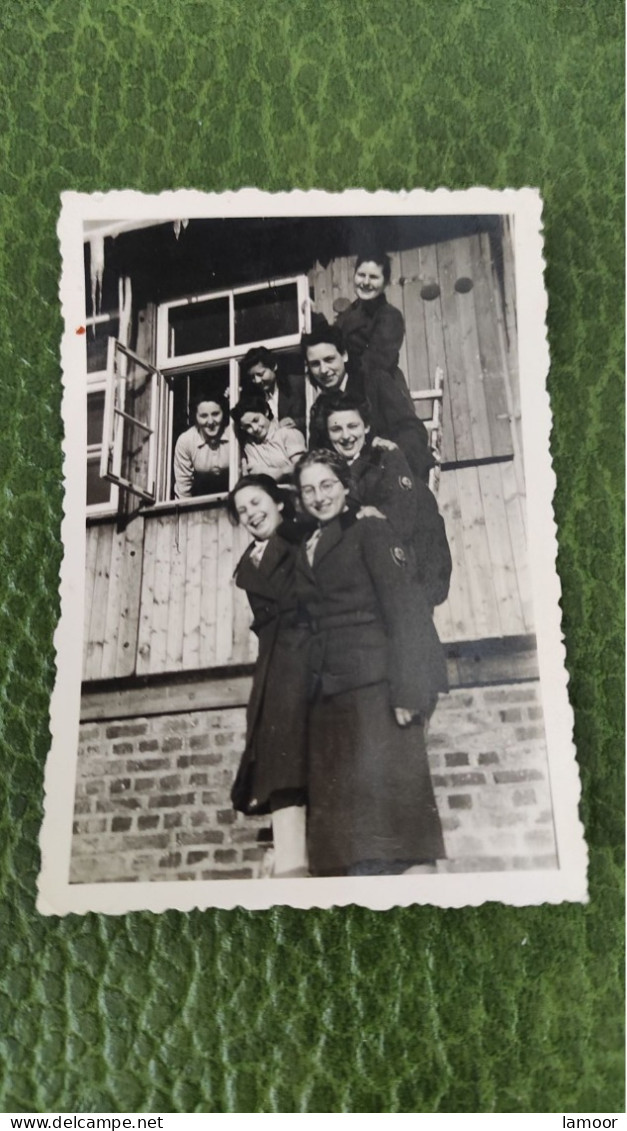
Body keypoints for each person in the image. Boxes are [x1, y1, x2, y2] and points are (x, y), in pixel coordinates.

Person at [293, 450, 447, 877]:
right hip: (329, 698)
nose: (319, 496)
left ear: (345, 486)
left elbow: (406, 610)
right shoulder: (310, 543)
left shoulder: (371, 532)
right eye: (309, 489)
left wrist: (409, 690)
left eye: (327, 485)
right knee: (345, 834)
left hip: (376, 694)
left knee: (389, 831)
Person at [227, 474, 310, 877]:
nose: (251, 514)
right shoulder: (248, 565)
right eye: (243, 510)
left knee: (309, 752)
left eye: (257, 503)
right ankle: (292, 863)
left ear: (278, 503)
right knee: (279, 759)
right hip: (274, 664)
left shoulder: (303, 538)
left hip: (309, 655)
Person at [316, 391, 452, 609]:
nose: (346, 436)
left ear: (366, 427)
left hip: (398, 584)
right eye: (336, 429)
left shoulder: (388, 463)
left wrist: (424, 597)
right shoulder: (322, 475)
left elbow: (413, 524)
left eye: (353, 426)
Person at [302, 320, 434, 482]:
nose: (323, 370)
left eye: (329, 359)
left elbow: (412, 431)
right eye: (315, 364)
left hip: (392, 475)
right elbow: (317, 457)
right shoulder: (319, 407)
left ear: (344, 355)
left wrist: (392, 454)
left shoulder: (376, 383)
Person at [335, 249, 408, 390]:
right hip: (352, 390)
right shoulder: (349, 313)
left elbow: (374, 364)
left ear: (385, 282)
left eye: (374, 277)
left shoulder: (390, 317)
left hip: (382, 395)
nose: (366, 282)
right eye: (361, 275)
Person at [230, 393, 307, 481]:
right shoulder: (250, 446)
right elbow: (256, 475)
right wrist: (284, 470)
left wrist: (280, 473)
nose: (255, 428)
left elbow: (301, 467)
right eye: (248, 426)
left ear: (266, 412)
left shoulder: (287, 433)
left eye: (256, 420)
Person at [173, 394, 231, 498]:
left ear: (223, 413)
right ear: (195, 417)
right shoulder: (186, 441)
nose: (210, 422)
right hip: (200, 502)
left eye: (215, 414)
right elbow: (183, 488)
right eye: (203, 416)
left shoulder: (233, 434)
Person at [239, 346, 307, 435]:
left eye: (260, 374)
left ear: (274, 367)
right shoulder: (254, 397)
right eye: (252, 377)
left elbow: (318, 415)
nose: (257, 381)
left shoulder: (297, 384)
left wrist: (297, 422)